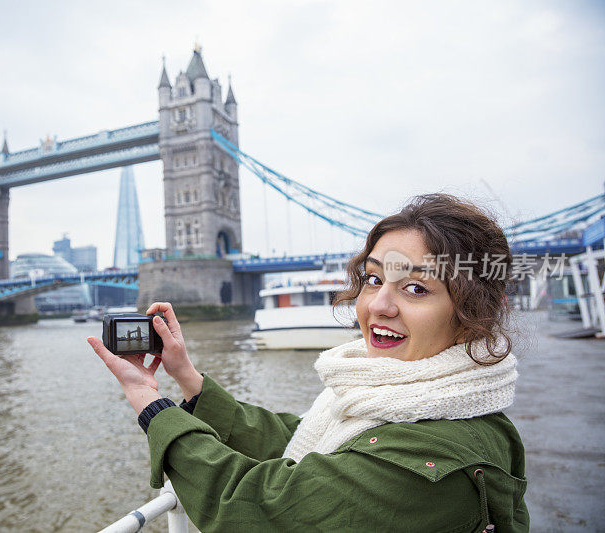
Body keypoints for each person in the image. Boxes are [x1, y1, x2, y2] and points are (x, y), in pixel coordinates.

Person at [87, 193, 529, 532]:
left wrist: (148, 401)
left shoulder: (434, 455)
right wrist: (186, 377)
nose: (379, 305)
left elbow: (262, 508)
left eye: (416, 288)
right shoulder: (391, 396)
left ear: (476, 312)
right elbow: (296, 443)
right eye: (373, 278)